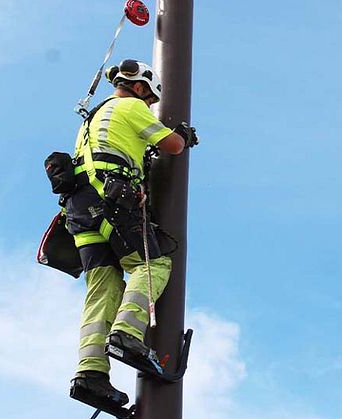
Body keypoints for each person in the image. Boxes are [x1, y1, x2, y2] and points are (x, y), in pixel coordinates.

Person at [65, 59, 196, 410]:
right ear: (139, 88)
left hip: (79, 208)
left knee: (103, 289)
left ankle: (90, 374)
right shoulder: (130, 106)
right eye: (150, 98)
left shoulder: (93, 119)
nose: (151, 106)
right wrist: (182, 134)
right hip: (109, 197)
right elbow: (173, 146)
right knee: (152, 264)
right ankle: (126, 334)